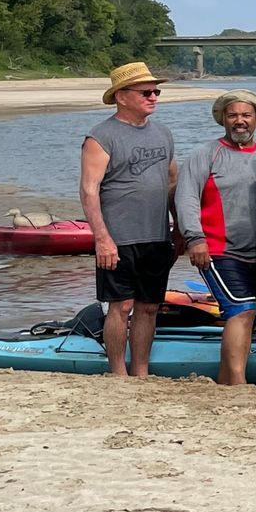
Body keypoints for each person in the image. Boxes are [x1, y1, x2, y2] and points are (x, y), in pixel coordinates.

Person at [79, 61, 177, 378]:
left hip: (157, 236)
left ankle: (141, 371)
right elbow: (89, 190)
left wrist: (180, 229)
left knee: (149, 307)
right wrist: (102, 238)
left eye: (156, 91)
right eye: (146, 91)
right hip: (118, 238)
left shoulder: (163, 133)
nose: (154, 97)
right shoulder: (101, 136)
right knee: (120, 306)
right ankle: (118, 373)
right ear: (122, 96)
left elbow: (172, 183)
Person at [175, 89, 256, 384]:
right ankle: (239, 383)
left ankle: (225, 380)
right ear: (223, 120)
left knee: (249, 314)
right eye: (233, 116)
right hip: (216, 248)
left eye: (245, 115)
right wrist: (194, 238)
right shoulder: (206, 154)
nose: (239, 121)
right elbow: (186, 196)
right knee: (241, 309)